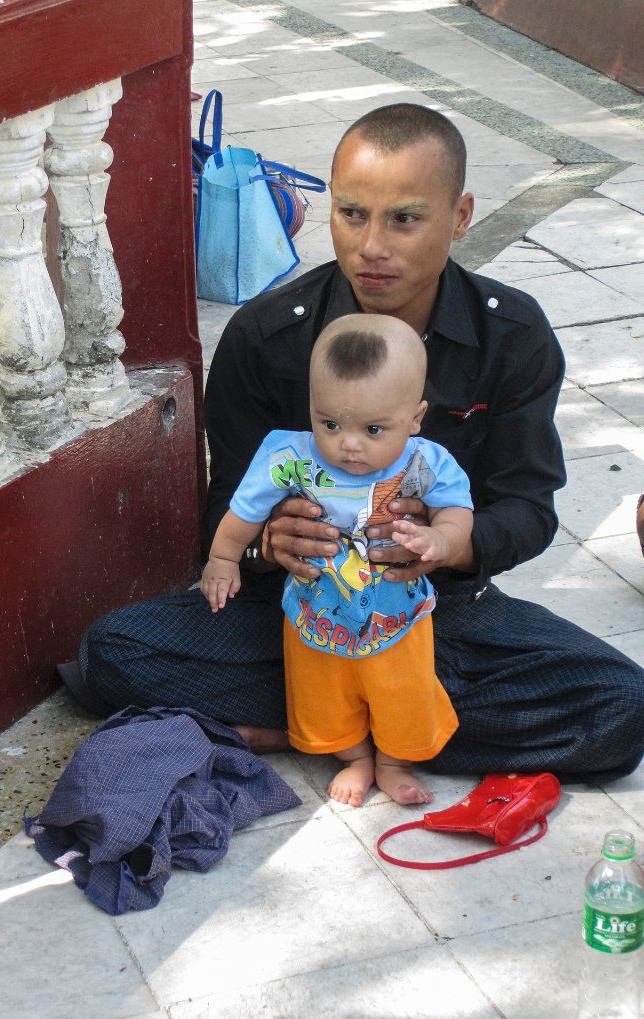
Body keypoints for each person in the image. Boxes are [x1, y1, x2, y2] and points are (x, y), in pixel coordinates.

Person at [74, 102, 644, 786]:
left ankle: (328, 729)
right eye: (351, 214)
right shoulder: (266, 337)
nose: (372, 246)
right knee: (113, 654)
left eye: (404, 218)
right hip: (298, 616)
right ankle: (370, 721)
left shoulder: (513, 336)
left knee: (622, 709)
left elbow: (529, 509)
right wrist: (268, 542)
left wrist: (446, 541)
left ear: (459, 217)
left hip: (442, 613)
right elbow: (224, 508)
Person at [201, 314, 473, 806]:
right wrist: (224, 557)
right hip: (314, 615)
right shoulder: (289, 457)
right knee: (321, 697)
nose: (349, 443)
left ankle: (392, 761)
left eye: (373, 428)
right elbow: (244, 511)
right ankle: (354, 756)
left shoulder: (424, 462)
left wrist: (443, 540)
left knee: (404, 694)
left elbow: (457, 510)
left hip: (398, 617)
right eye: (330, 423)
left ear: (415, 418)